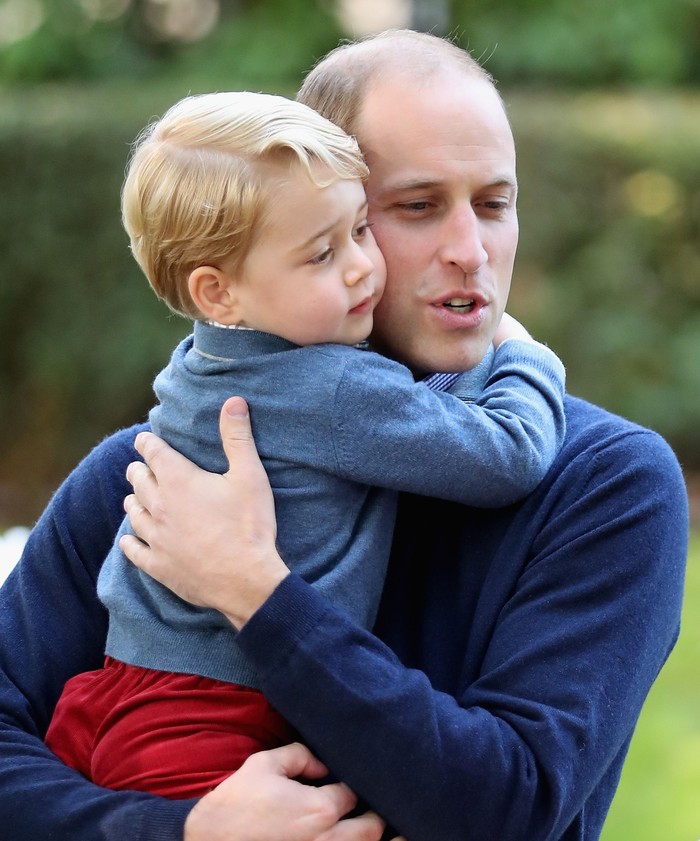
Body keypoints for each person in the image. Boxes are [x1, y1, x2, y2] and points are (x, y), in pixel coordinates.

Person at [0, 28, 688, 841]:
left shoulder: (607, 483)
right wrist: (184, 832)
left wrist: (255, 590)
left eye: (494, 204)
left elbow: (510, 805)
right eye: (416, 207)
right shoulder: (160, 477)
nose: (471, 251)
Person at [43, 89, 566, 799]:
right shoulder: (330, 387)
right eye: (322, 253)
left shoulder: (203, 363)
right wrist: (524, 354)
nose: (360, 267)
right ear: (218, 292)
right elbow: (507, 454)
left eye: (359, 230)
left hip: (120, 691)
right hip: (210, 717)